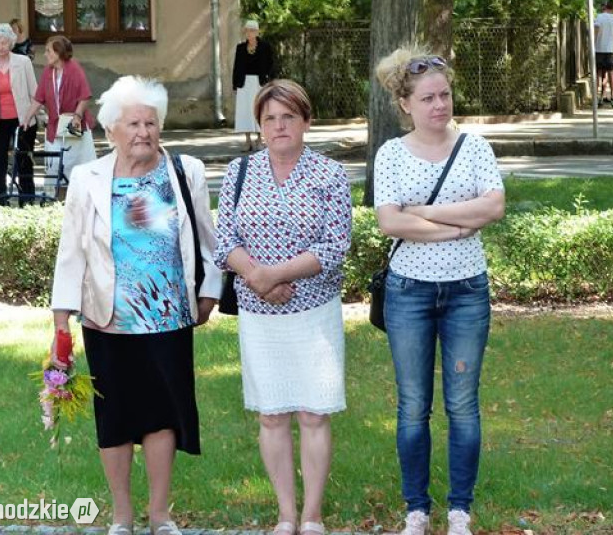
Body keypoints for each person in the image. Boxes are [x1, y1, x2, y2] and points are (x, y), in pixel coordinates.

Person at [50, 76, 220, 535]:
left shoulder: (186, 172)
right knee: (116, 418)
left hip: (168, 316)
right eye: (133, 123)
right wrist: (61, 322)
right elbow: (72, 253)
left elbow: (207, 239)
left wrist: (209, 292)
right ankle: (122, 514)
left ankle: (160, 514)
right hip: (109, 320)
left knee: (163, 415)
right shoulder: (87, 179)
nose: (143, 131)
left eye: (151, 122)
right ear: (111, 131)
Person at [372, 47, 506, 535]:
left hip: (467, 292)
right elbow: (389, 221)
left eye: (444, 95)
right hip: (409, 292)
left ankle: (459, 510)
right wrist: (455, 221)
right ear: (405, 104)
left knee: (463, 404)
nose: (439, 105)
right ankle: (416, 509)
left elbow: (492, 208)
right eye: (427, 98)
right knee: (412, 405)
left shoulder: (475, 147)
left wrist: (423, 214)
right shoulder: (390, 153)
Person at [214, 79, 352, 535]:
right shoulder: (238, 171)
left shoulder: (329, 175)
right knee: (272, 415)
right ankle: (286, 515)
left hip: (314, 313)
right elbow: (225, 240)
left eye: (288, 117)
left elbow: (335, 246)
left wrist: (277, 274)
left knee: (313, 413)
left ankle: (312, 515)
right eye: (270, 118)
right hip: (260, 315)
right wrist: (257, 276)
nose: (279, 126)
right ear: (259, 124)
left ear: (306, 121)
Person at [0, 23, 39, 204]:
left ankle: (27, 202)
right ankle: (0, 203)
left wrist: (34, 115)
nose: (1, 46)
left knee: (24, 162)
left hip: (23, 119)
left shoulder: (23, 62)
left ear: (11, 43)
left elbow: (33, 91)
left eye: (4, 42)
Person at [21, 35, 96, 185]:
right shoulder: (49, 72)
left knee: (76, 162)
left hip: (73, 123)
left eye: (48, 51)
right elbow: (39, 98)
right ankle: (55, 195)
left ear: (58, 52)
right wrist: (27, 118)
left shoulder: (74, 69)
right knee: (55, 163)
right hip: (56, 124)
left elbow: (84, 96)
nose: (45, 54)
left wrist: (77, 116)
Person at [232, 19, 275, 151]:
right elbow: (236, 67)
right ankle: (247, 141)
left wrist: (269, 81)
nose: (249, 33)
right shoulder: (240, 48)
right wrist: (234, 85)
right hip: (244, 84)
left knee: (259, 110)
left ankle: (259, 139)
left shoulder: (265, 47)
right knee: (245, 111)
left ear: (257, 32)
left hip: (259, 83)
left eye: (251, 30)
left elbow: (271, 64)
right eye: (247, 30)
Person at [593, 0, 613, 106]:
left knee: (599, 73)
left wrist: (592, 44)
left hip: (599, 49)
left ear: (606, 6)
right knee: (611, 73)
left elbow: (595, 31)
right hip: (610, 50)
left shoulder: (599, 17)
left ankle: (597, 98)